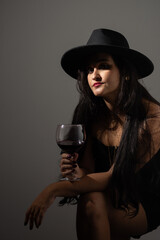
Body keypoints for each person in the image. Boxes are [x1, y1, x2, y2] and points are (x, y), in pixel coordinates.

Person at [24, 29, 160, 240]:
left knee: (93, 200)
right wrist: (76, 171)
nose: (94, 75)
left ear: (124, 71)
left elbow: (110, 177)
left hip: (143, 202)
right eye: (89, 69)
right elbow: (88, 171)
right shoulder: (91, 113)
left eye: (103, 66)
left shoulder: (152, 119)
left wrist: (52, 190)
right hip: (104, 196)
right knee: (92, 200)